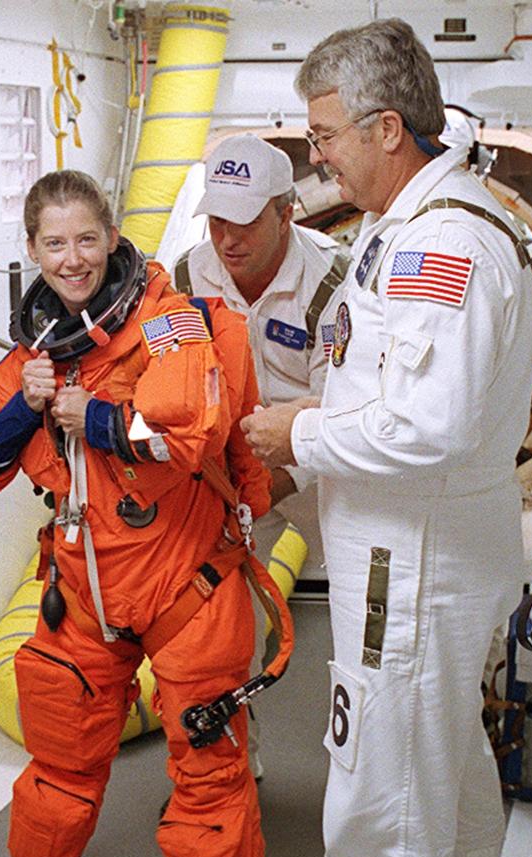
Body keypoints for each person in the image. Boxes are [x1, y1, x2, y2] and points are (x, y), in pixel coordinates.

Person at [241, 20, 532, 857]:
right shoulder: (401, 223)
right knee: (444, 774)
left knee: (379, 804)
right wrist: (307, 457)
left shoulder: (443, 242)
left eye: (323, 133)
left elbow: (430, 426)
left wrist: (301, 436)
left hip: (408, 572)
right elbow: (382, 388)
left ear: (383, 128)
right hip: (414, 555)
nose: (315, 153)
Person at [0, 170, 275, 857]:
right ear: (32, 251)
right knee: (60, 742)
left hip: (184, 582)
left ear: (113, 236)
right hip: (84, 588)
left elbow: (184, 434)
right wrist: (29, 405)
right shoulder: (30, 357)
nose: (74, 257)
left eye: (87, 238)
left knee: (207, 755)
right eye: (54, 243)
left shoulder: (171, 325)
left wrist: (88, 414)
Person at [173, 133, 348, 772]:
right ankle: (230, 767)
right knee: (212, 628)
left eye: (245, 220)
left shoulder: (333, 281)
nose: (228, 239)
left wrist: (273, 481)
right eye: (217, 220)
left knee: (363, 620)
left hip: (321, 472)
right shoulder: (190, 274)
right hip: (232, 472)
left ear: (285, 211)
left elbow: (342, 412)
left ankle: (368, 773)